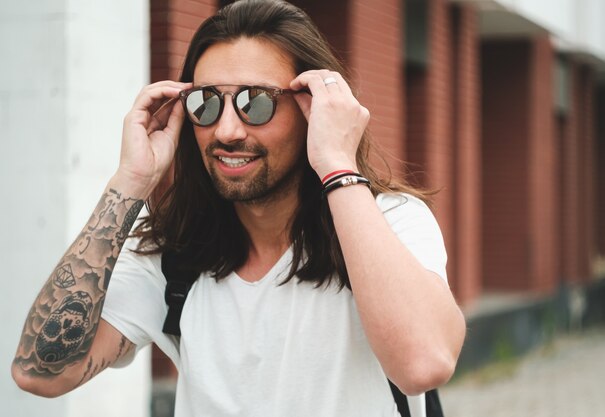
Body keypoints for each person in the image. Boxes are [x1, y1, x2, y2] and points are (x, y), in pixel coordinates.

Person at [12, 0, 466, 416]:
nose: (226, 129)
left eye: (257, 101)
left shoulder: (388, 221)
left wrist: (337, 165)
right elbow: (41, 373)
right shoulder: (172, 253)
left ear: (314, 108)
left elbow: (424, 365)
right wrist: (129, 185)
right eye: (206, 103)